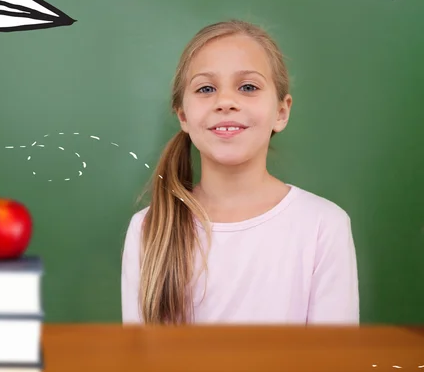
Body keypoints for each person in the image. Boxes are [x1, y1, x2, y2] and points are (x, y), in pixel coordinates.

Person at [121, 20, 359, 325]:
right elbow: (141, 365)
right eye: (206, 88)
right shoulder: (149, 229)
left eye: (248, 87)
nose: (226, 102)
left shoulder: (323, 226)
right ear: (183, 115)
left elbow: (335, 364)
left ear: (281, 112)